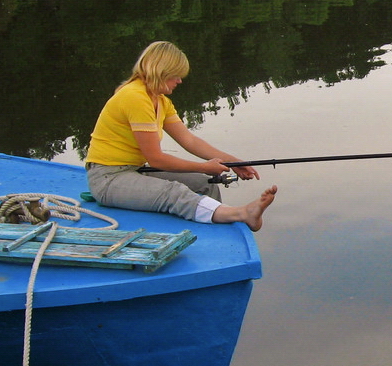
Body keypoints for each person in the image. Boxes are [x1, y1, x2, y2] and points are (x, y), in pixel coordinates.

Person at [85, 41, 276, 231]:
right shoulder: (135, 97)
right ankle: (242, 214)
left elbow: (189, 140)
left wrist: (233, 162)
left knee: (204, 185)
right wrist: (203, 166)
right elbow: (156, 159)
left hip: (134, 170)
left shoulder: (161, 101)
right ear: (161, 71)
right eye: (176, 75)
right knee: (173, 193)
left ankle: (216, 231)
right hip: (108, 179)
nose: (179, 81)